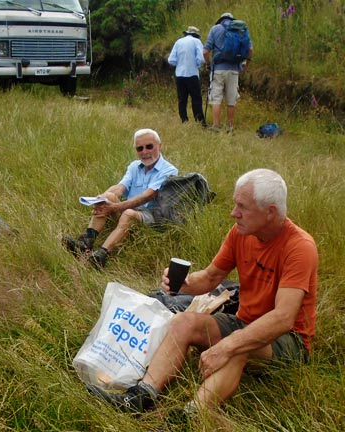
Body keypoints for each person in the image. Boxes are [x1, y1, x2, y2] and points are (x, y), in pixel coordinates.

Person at [87, 169, 318, 420]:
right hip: (244, 320)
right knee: (184, 321)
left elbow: (284, 318)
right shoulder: (240, 233)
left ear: (270, 211)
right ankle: (141, 396)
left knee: (239, 346)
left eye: (242, 207)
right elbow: (209, 278)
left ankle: (192, 416)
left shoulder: (299, 247)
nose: (234, 213)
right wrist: (182, 284)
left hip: (288, 339)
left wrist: (227, 345)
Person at [63, 129, 178, 269]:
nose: (145, 152)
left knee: (128, 213)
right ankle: (86, 243)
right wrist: (102, 198)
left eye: (149, 146)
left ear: (159, 145)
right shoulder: (134, 166)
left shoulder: (169, 171)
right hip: (129, 209)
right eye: (140, 148)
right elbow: (120, 187)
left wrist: (116, 207)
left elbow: (147, 196)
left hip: (153, 217)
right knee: (108, 198)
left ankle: (101, 255)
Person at [203, 12, 253, 134]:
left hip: (218, 69)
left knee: (216, 98)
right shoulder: (240, 30)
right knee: (231, 100)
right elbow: (250, 49)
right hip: (234, 70)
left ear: (220, 19)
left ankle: (216, 126)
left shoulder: (215, 29)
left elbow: (205, 52)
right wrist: (247, 64)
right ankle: (230, 127)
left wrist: (208, 64)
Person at [168, 26, 206, 126]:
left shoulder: (178, 42)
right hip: (192, 74)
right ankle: (200, 121)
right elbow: (201, 59)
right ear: (196, 35)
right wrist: (196, 65)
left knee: (182, 99)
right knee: (196, 98)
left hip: (180, 75)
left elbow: (171, 60)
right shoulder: (196, 42)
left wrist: (179, 64)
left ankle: (184, 120)